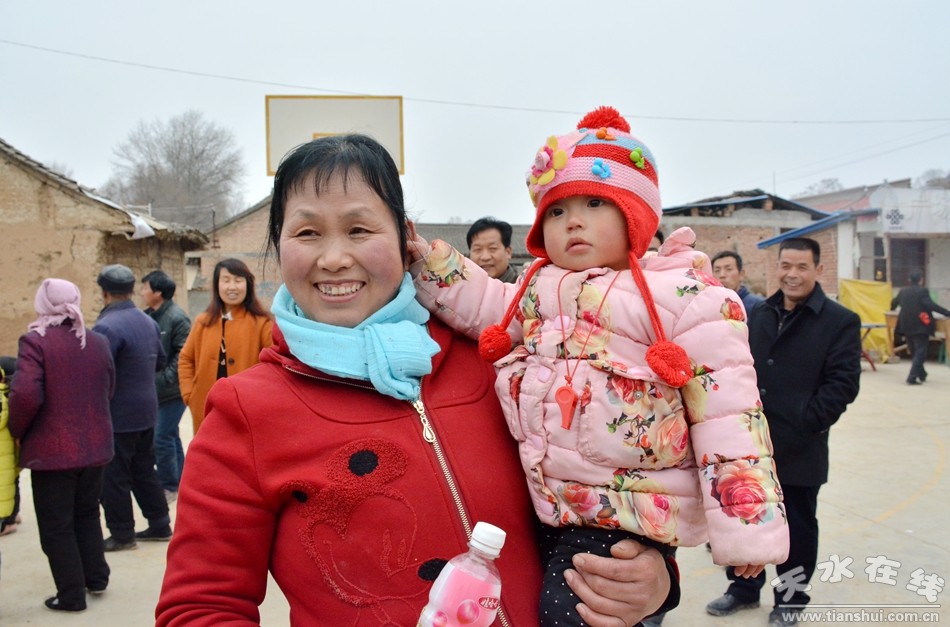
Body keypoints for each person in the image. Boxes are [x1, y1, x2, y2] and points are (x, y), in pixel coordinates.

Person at [156, 133, 679, 627]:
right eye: (307, 232)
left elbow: (618, 477)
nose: (334, 258)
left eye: (360, 230)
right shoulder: (247, 409)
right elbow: (200, 605)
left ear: (406, 237)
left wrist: (656, 576)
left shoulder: (502, 360)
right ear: (278, 244)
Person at [411, 106, 788, 626]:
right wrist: (425, 260)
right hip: (547, 503)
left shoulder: (686, 297)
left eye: (593, 203)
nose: (573, 221)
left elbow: (730, 419)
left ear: (634, 214)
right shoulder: (538, 287)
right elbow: (484, 303)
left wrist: (748, 530)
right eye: (557, 211)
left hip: (626, 513)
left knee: (571, 614)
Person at [706, 237, 861, 627]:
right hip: (750, 445)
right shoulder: (759, 313)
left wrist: (808, 420)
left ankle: (791, 599)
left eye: (802, 267)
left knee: (799, 529)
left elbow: (843, 384)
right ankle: (742, 589)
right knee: (746, 520)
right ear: (776, 267)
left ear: (817, 270)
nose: (792, 274)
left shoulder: (839, 320)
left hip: (801, 445)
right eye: (786, 266)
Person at [8, 279, 115, 612]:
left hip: (53, 452)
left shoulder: (36, 341)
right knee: (87, 513)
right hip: (95, 447)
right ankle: (96, 577)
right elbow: (108, 387)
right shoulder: (96, 341)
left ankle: (71, 595)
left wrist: (17, 429)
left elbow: (25, 394)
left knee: (57, 525)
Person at [92, 264, 172, 552]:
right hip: (147, 409)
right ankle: (160, 523)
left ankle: (122, 533)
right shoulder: (147, 321)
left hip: (117, 414)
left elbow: (98, 372)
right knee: (144, 469)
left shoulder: (105, 327)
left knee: (113, 476)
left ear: (104, 293)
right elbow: (160, 361)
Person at [178, 258, 273, 434]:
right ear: (217, 285)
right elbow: (186, 359)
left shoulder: (262, 323)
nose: (232, 287)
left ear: (248, 284)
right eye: (226, 280)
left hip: (248, 408)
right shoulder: (203, 321)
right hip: (206, 406)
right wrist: (189, 394)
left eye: (238, 280)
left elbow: (273, 367)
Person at [140, 270, 192, 502]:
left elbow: (183, 354)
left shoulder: (177, 317)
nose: (142, 292)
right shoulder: (147, 316)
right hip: (155, 390)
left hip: (172, 390)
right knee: (170, 435)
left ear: (158, 292)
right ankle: (181, 479)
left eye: (145, 288)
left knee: (161, 437)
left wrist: (165, 379)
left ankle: (169, 485)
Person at [890, 268, 950, 385]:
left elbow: (894, 303)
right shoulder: (922, 291)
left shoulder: (903, 291)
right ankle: (912, 377)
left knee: (914, 351)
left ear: (909, 279)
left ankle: (922, 374)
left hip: (906, 324)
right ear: (921, 280)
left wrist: (893, 308)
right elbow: (930, 305)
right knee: (920, 352)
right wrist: (947, 312)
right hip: (921, 325)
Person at [0, 356, 20, 538]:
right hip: (11, 451)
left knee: (8, 485)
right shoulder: (9, 396)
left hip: (4, 454)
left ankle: (9, 521)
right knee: (13, 482)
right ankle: (12, 516)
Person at [466, 217, 519, 283]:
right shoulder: (461, 288)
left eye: (492, 248)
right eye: (478, 249)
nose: (485, 257)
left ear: (508, 252)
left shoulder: (524, 287)